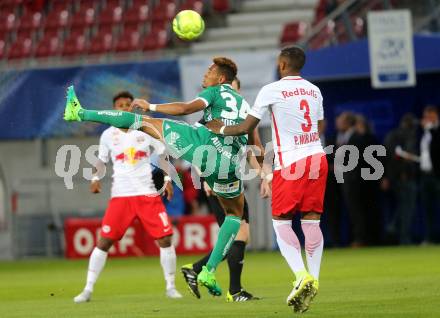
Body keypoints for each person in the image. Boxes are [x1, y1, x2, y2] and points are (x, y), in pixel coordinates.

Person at [64, 57, 251, 297]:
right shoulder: (243, 103)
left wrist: (152, 106)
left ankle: (79, 112)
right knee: (235, 216)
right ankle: (209, 270)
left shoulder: (215, 91)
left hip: (201, 147)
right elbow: (246, 131)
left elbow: (185, 109)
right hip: (230, 163)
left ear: (221, 78)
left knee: (139, 122)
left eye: (211, 70)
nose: (206, 73)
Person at [206, 46, 327, 313]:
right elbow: (319, 126)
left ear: (282, 65)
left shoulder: (271, 89)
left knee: (281, 223)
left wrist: (220, 127)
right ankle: (314, 278)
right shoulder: (314, 90)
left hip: (291, 162)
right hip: (317, 157)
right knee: (311, 219)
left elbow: (247, 128)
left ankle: (301, 276)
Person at [73, 91, 182, 303]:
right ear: (114, 109)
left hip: (147, 194)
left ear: (133, 107)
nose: (124, 108)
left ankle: (170, 286)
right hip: (121, 196)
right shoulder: (107, 134)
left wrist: (168, 181)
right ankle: (87, 289)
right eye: (120, 105)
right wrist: (95, 178)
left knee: (166, 238)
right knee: (104, 242)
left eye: (127, 104)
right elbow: (101, 160)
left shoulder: (145, 128)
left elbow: (163, 155)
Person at [181, 77, 261, 302]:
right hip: (216, 183)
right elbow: (197, 149)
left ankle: (196, 269)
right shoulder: (211, 118)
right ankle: (234, 290)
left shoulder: (242, 118)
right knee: (239, 234)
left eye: (234, 90)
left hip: (234, 181)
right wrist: (206, 179)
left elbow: (248, 152)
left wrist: (264, 175)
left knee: (240, 236)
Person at [382, 113, 418, 244]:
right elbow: (395, 156)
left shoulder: (392, 135)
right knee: (406, 208)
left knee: (403, 207)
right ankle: (402, 236)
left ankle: (394, 229)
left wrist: (386, 177)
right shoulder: (404, 136)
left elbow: (385, 156)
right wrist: (402, 172)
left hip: (396, 177)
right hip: (403, 177)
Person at [419, 105, 440, 243]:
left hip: (438, 175)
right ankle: (429, 237)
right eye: (425, 116)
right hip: (425, 175)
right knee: (427, 209)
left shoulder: (435, 131)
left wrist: (431, 130)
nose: (427, 119)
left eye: (429, 116)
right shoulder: (425, 133)